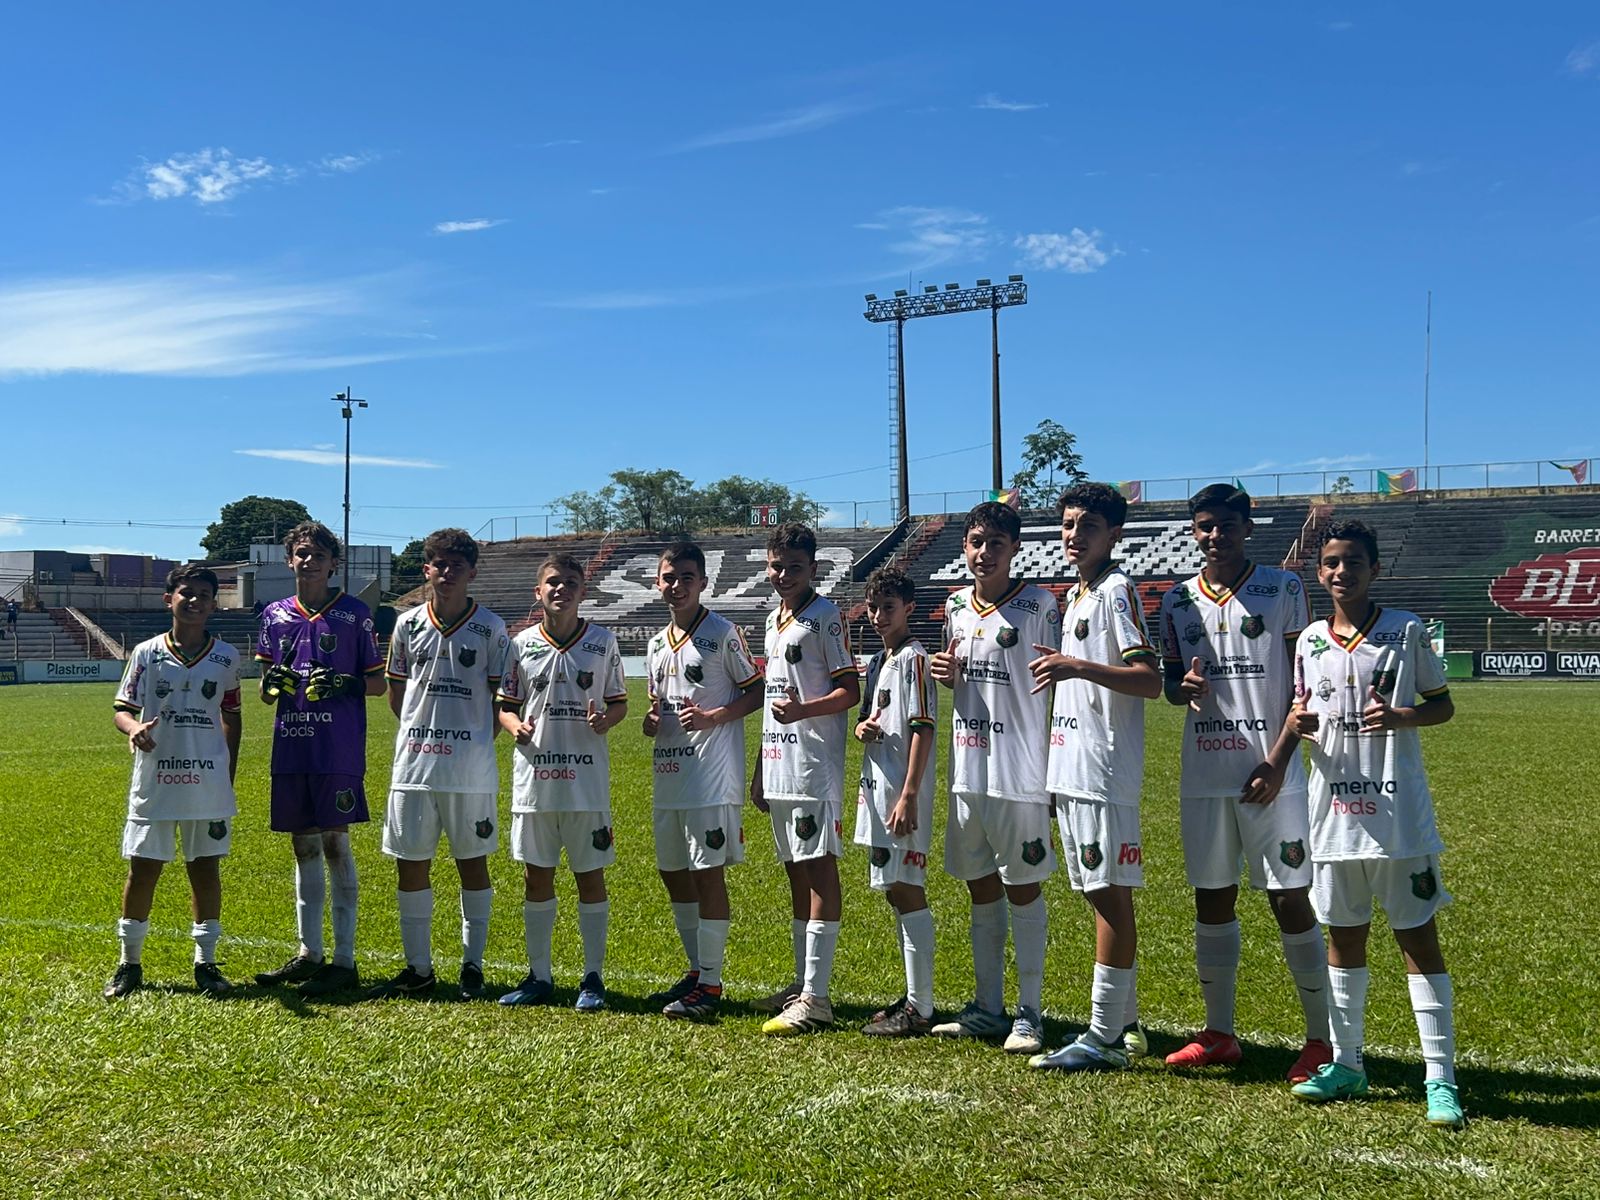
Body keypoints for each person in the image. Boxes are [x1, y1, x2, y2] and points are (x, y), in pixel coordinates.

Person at [1285, 520, 1465, 1129]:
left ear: (1374, 569)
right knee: (1344, 939)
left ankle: (1440, 1078)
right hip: (1332, 814)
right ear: (1320, 570)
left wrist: (1402, 715)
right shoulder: (1308, 639)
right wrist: (1299, 725)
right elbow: (1301, 707)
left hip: (1397, 817)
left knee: (1417, 940)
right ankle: (1348, 1064)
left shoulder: (1404, 629)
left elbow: (1442, 706)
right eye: (1332, 562)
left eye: (1354, 562)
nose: (1342, 572)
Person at [1158, 484, 1332, 1082]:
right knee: (1212, 897)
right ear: (1194, 531)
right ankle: (1219, 1033)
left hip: (1271, 774)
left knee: (1289, 897)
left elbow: (1304, 689)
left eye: (1226, 525)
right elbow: (1169, 680)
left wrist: (1279, 760)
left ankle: (1321, 1040)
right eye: (1204, 526)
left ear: (1247, 528)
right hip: (1205, 773)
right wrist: (1180, 689)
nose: (1215, 536)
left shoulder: (1282, 589)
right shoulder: (1178, 600)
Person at [1029, 483, 1163, 1071]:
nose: (1073, 534)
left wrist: (1074, 665)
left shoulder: (1115, 591)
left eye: (1087, 525)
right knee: (1096, 893)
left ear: (1114, 535)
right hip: (1074, 770)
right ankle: (1126, 1022)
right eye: (1067, 524)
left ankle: (1104, 1036)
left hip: (1104, 773)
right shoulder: (1079, 594)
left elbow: (1148, 680)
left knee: (1110, 898)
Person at [929, 500, 1060, 1055]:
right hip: (968, 767)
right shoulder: (955, 605)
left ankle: (1029, 1012)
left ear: (1015, 549)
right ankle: (988, 1006)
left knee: (1021, 887)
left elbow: (1058, 686)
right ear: (965, 547)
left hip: (1020, 771)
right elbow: (954, 672)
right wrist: (945, 674)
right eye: (977, 542)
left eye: (996, 544)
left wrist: (1054, 768)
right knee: (979, 884)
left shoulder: (1038, 604)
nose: (985, 553)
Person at [366, 529, 510, 1002]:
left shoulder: (491, 628)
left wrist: (471, 744)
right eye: (438, 565)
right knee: (411, 865)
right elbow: (396, 693)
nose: (446, 574)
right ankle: (419, 968)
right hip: (413, 769)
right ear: (426, 569)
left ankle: (473, 965)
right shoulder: (406, 625)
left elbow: (498, 699)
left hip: (470, 774)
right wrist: (421, 731)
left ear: (472, 572)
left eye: (456, 566)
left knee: (473, 864)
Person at [253, 522, 385, 998]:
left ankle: (344, 960)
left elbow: (377, 683)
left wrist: (346, 683)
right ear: (290, 560)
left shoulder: (354, 614)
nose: (309, 561)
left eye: (319, 554)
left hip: (338, 747)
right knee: (302, 845)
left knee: (334, 843)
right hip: (291, 744)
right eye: (301, 554)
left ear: (335, 563)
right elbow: (268, 687)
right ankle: (309, 952)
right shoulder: (273, 615)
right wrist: (272, 685)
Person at [496, 554, 627, 1012]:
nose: (561, 589)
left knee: (589, 876)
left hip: (586, 782)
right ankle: (540, 975)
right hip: (534, 781)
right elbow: (506, 704)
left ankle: (593, 977)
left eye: (570, 582)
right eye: (553, 582)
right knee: (537, 877)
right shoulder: (520, 645)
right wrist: (514, 727)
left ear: (582, 592)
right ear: (539, 592)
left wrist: (605, 719)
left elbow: (619, 704)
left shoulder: (603, 641)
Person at [105, 565, 242, 999]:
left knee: (205, 870)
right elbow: (121, 708)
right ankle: (129, 964)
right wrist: (132, 729)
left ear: (214, 603)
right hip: (157, 781)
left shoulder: (226, 657)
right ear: (170, 600)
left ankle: (206, 964)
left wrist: (228, 771)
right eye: (187, 593)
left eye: (205, 594)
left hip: (206, 784)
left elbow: (232, 715)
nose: (196, 600)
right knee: (143, 870)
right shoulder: (145, 653)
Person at [641, 541, 764, 1021]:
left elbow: (754, 694)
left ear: (703, 583)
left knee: (706, 874)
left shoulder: (722, 633)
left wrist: (715, 717)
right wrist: (652, 725)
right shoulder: (654, 644)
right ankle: (696, 971)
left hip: (711, 778)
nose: (677, 586)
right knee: (673, 873)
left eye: (687, 577)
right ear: (658, 582)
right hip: (668, 774)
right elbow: (658, 711)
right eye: (670, 577)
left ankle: (710, 986)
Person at [750, 522, 860, 1035]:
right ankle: (801, 984)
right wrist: (759, 767)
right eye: (776, 566)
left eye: (794, 567)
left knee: (819, 872)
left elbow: (848, 691)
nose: (783, 575)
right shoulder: (773, 620)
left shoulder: (824, 618)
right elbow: (774, 706)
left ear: (814, 569)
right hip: (779, 765)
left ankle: (817, 998)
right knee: (796, 872)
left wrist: (804, 712)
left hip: (813, 767)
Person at [853, 566, 938, 1036]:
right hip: (876, 787)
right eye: (874, 607)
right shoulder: (878, 661)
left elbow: (923, 727)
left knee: (907, 888)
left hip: (901, 793)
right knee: (894, 888)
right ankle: (913, 995)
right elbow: (872, 718)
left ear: (909, 608)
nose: (880, 615)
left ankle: (921, 1008)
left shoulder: (915, 659)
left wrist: (909, 794)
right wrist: (862, 727)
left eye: (889, 606)